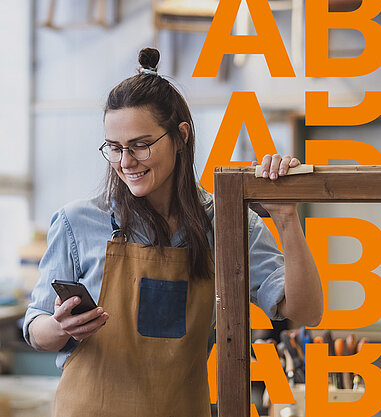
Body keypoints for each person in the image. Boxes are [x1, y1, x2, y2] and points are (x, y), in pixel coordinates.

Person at [23, 47, 323, 417]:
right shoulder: (76, 221)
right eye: (114, 149)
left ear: (180, 136)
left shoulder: (226, 222)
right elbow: (35, 329)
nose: (125, 162)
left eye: (140, 145)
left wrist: (286, 217)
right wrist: (59, 326)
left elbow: (306, 310)